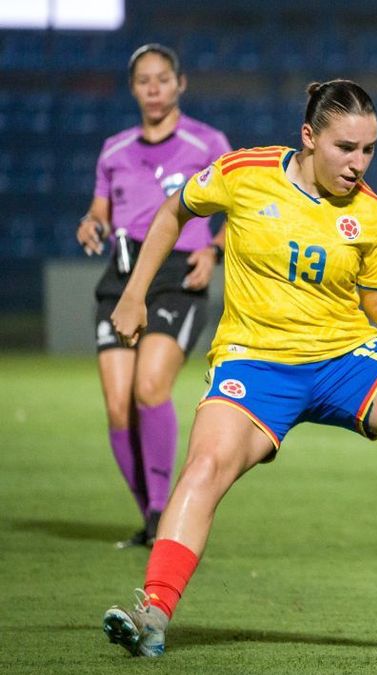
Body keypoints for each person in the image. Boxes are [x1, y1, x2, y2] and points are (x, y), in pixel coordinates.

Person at [101, 79, 377, 658]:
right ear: (308, 137)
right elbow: (175, 211)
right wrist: (135, 293)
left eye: (369, 149)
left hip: (347, 358)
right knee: (205, 467)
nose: (358, 164)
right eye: (345, 148)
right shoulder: (244, 172)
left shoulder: (371, 214)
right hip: (256, 365)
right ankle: (153, 611)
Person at [75, 43, 231, 549]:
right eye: (144, 80)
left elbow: (243, 209)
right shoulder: (114, 150)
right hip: (122, 275)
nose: (154, 89)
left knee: (149, 388)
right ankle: (151, 515)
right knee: (118, 406)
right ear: (134, 88)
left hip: (177, 275)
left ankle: (165, 512)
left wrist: (213, 250)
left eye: (163, 79)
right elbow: (100, 211)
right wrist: (90, 224)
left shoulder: (207, 143)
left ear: (180, 83)